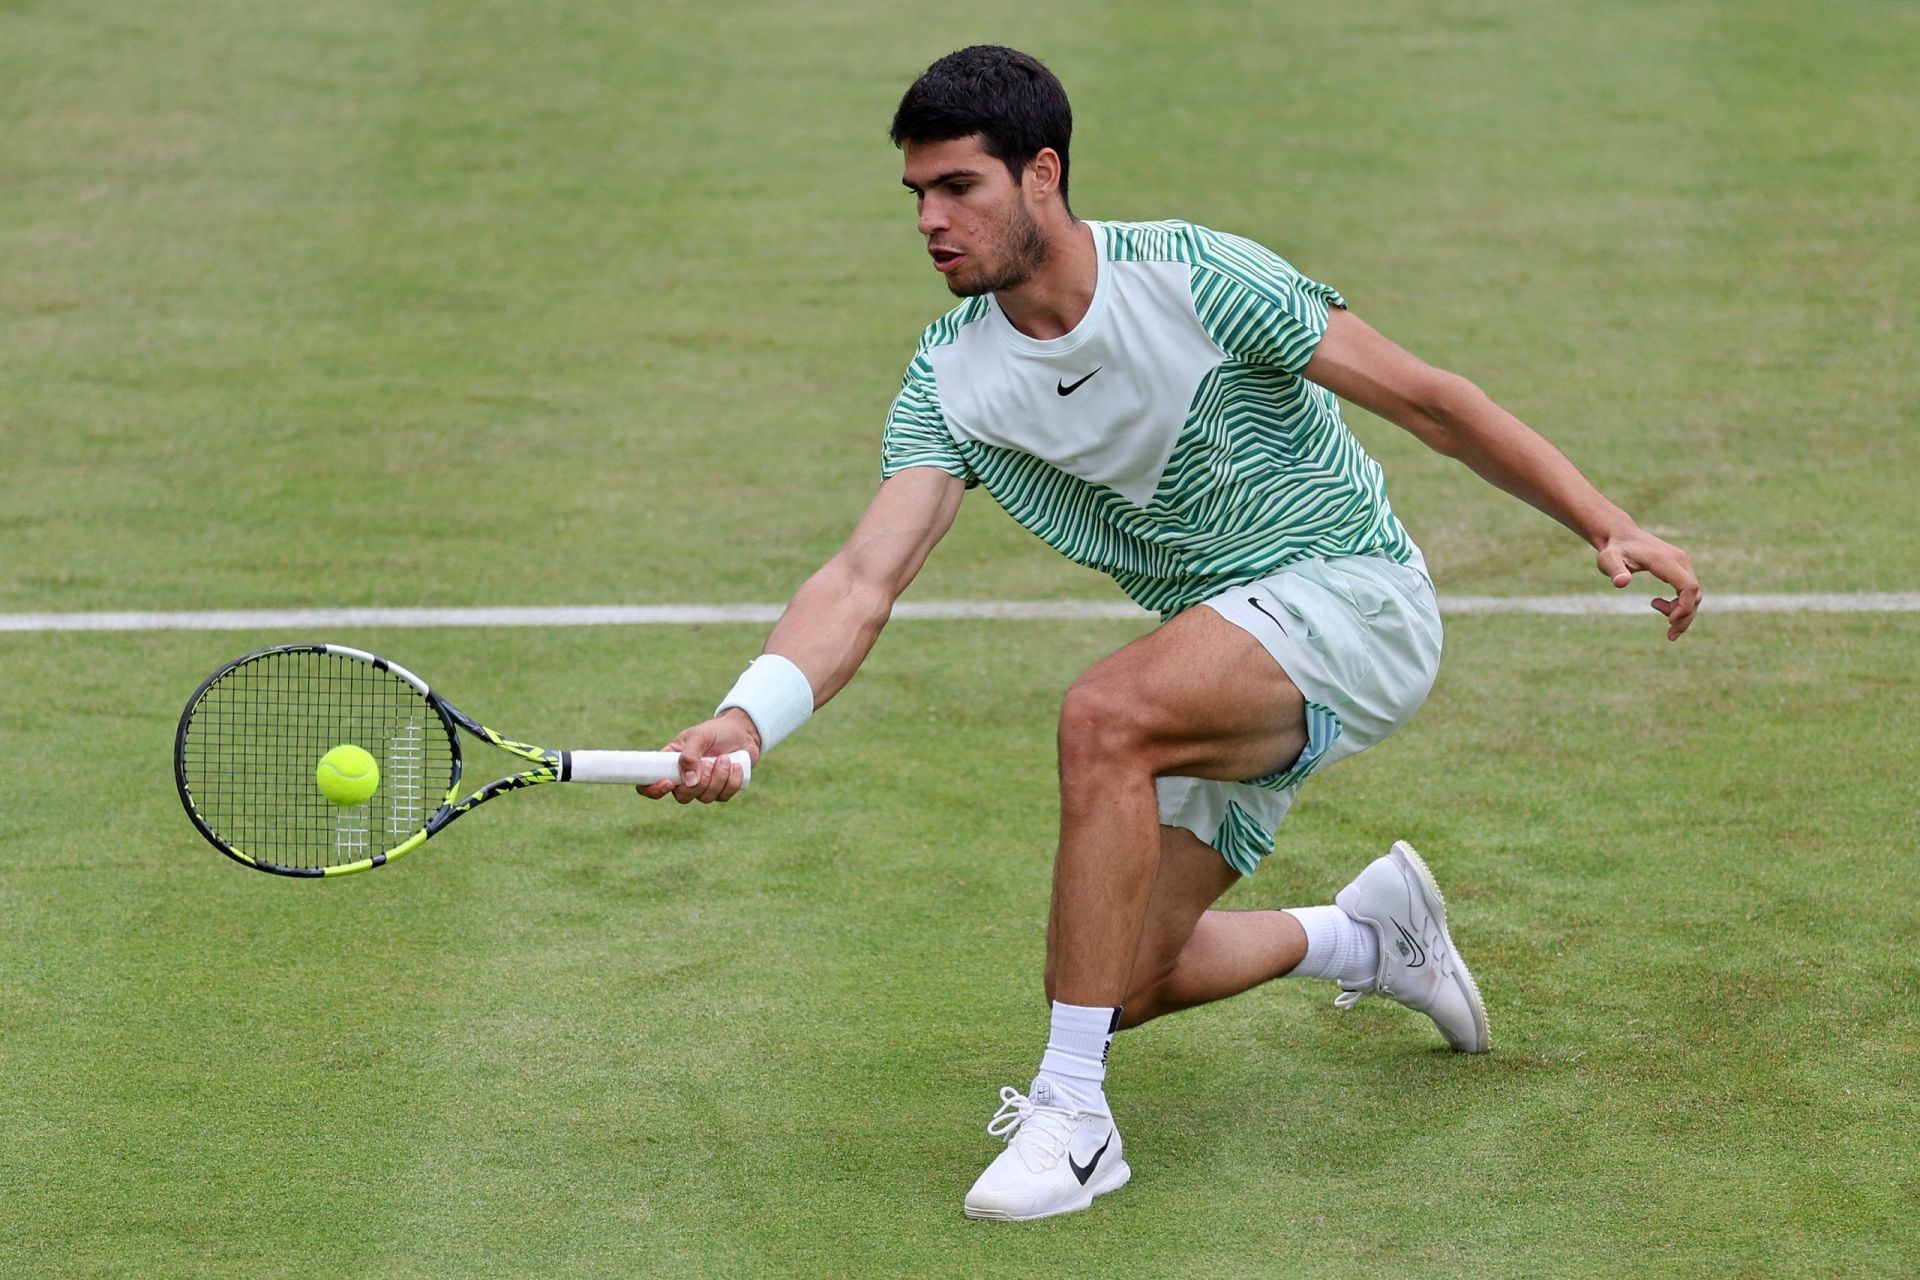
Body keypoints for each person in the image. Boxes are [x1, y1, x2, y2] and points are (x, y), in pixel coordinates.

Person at [638, 45, 1700, 1222]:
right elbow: (860, 577)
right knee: (1118, 974)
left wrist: (1607, 524)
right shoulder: (952, 379)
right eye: (917, 196)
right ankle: (1365, 935)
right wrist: (749, 714)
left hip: (1355, 599)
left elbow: (1429, 400)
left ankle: (1075, 1118)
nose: (931, 221)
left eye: (959, 188)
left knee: (1106, 715)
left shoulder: (1194, 275)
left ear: (1042, 174)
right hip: (1225, 643)